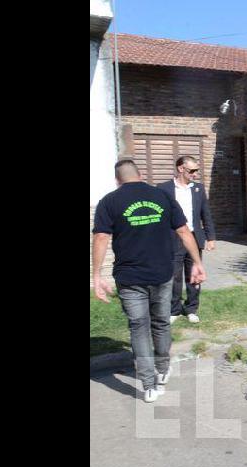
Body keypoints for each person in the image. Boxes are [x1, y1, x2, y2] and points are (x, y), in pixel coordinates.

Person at [93, 160, 208, 403]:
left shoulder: (109, 201)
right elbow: (184, 231)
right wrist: (197, 262)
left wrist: (96, 276)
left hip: (129, 277)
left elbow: (102, 237)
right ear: (141, 175)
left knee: (139, 327)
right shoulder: (162, 196)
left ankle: (148, 385)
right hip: (162, 273)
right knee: (161, 322)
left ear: (117, 180)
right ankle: (163, 370)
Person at [157, 156, 216, 325]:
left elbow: (206, 214)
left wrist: (210, 237)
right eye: (192, 171)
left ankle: (191, 309)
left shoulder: (198, 188)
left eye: (197, 170)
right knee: (174, 275)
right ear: (181, 169)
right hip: (173, 238)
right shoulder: (164, 188)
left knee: (194, 274)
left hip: (194, 237)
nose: (195, 174)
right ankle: (174, 309)